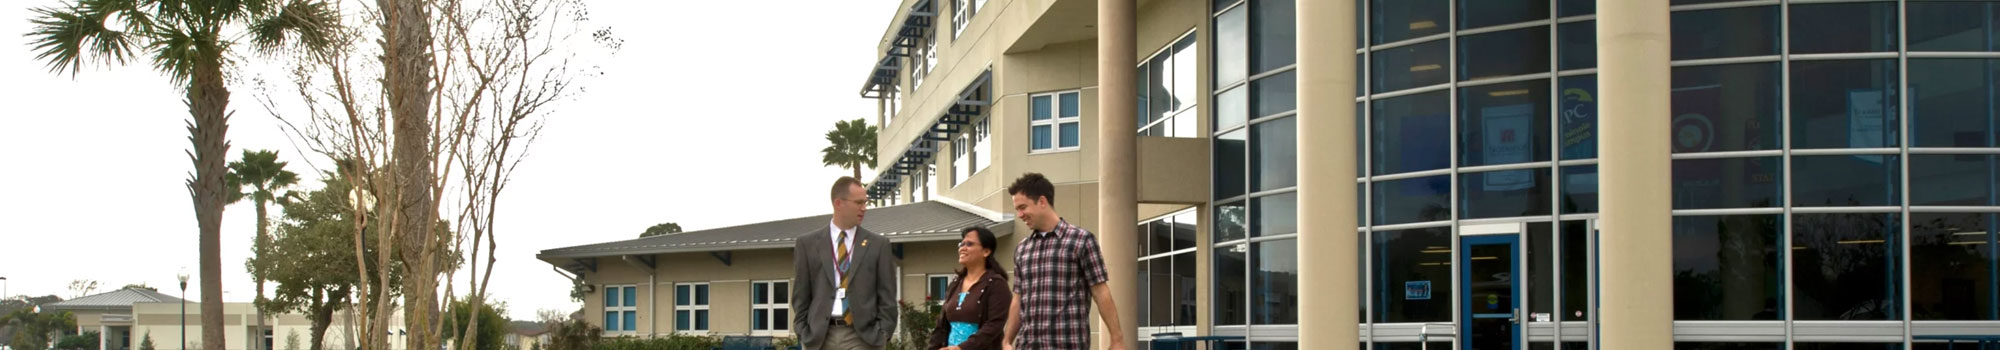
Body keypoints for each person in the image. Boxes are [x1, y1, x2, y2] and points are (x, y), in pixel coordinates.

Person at [1001, 173, 1127, 350]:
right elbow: (1018, 298)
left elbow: (1100, 292)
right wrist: (1007, 340)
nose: (1020, 215)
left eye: (1023, 207)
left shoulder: (1081, 240)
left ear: (1042, 201)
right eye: (1017, 209)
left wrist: (1117, 339)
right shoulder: (1022, 249)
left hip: (1068, 344)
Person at [793, 177, 898, 350]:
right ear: (838, 203)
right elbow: (800, 295)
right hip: (819, 338)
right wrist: (803, 332)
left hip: (863, 338)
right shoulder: (807, 244)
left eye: (865, 202)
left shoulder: (878, 244)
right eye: (858, 203)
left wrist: (883, 333)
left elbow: (887, 295)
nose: (864, 208)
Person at [926, 227, 1013, 350]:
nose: (962, 248)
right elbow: (941, 325)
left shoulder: (996, 284)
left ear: (986, 252)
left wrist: (962, 348)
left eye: (969, 244)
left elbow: (994, 325)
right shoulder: (956, 283)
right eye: (961, 244)